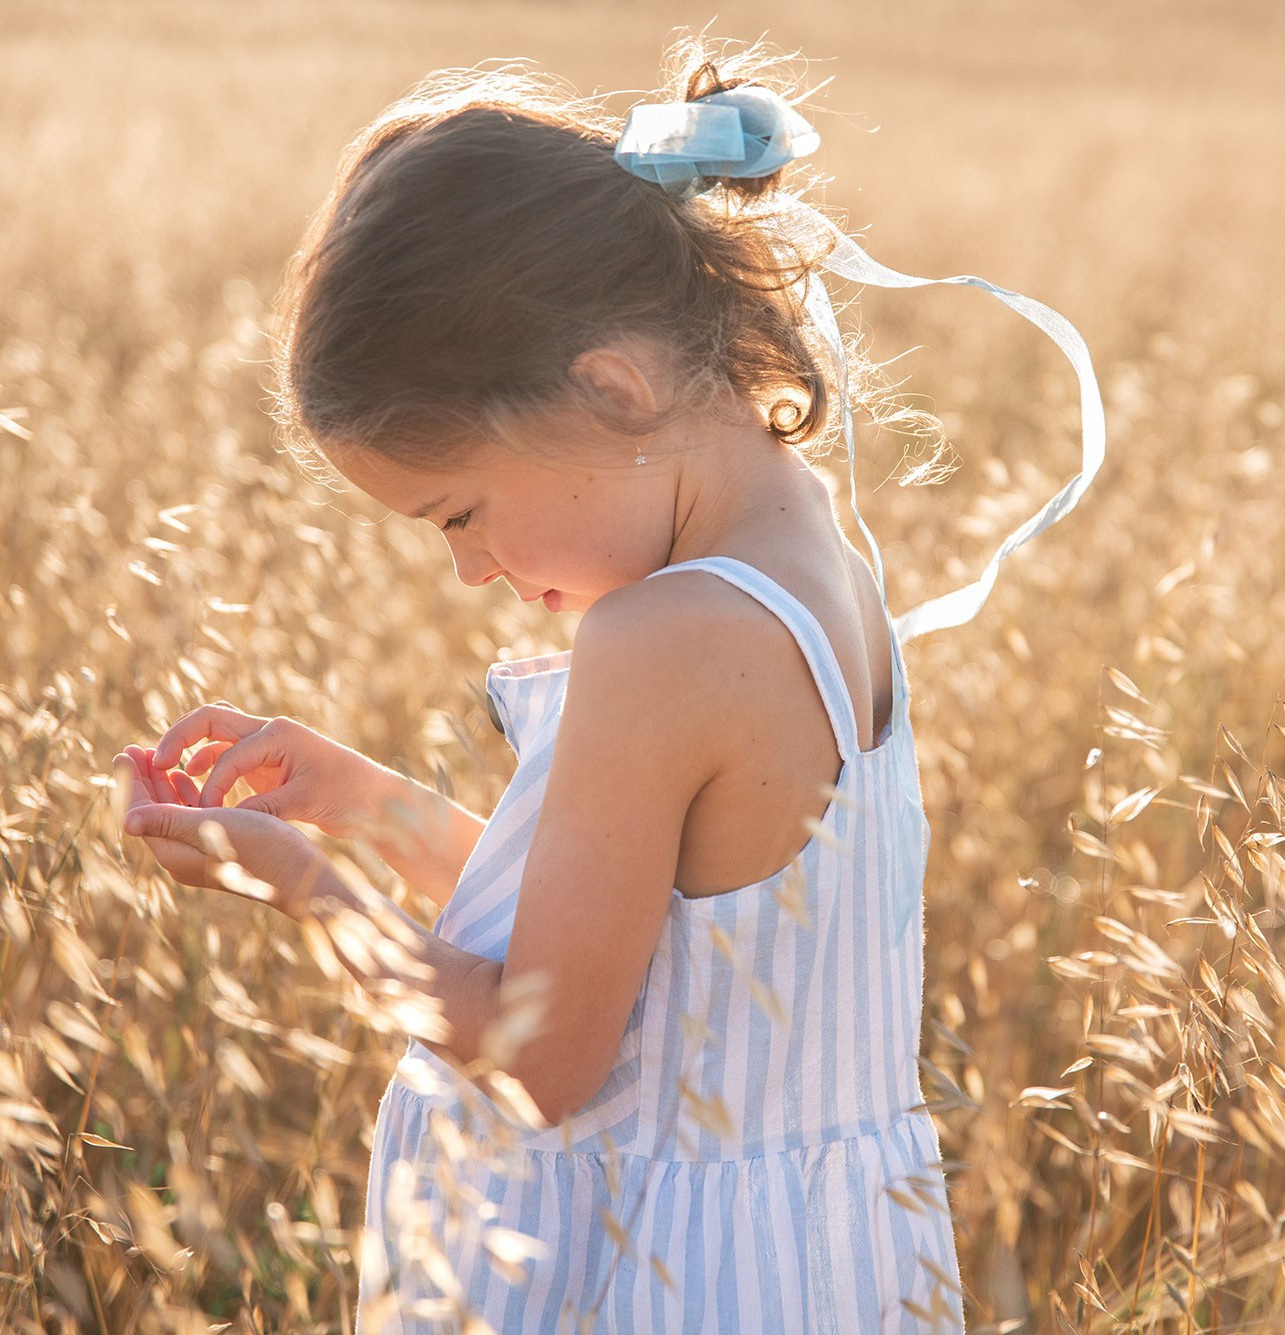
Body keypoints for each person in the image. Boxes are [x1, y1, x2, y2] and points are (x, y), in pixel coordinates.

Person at [115, 36, 1103, 1333]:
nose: (468, 570)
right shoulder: (815, 556)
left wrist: (301, 886)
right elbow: (639, 943)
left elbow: (545, 1060)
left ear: (611, 389)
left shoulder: (660, 643)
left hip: (667, 1277)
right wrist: (358, 803)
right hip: (819, 1263)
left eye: (457, 512)